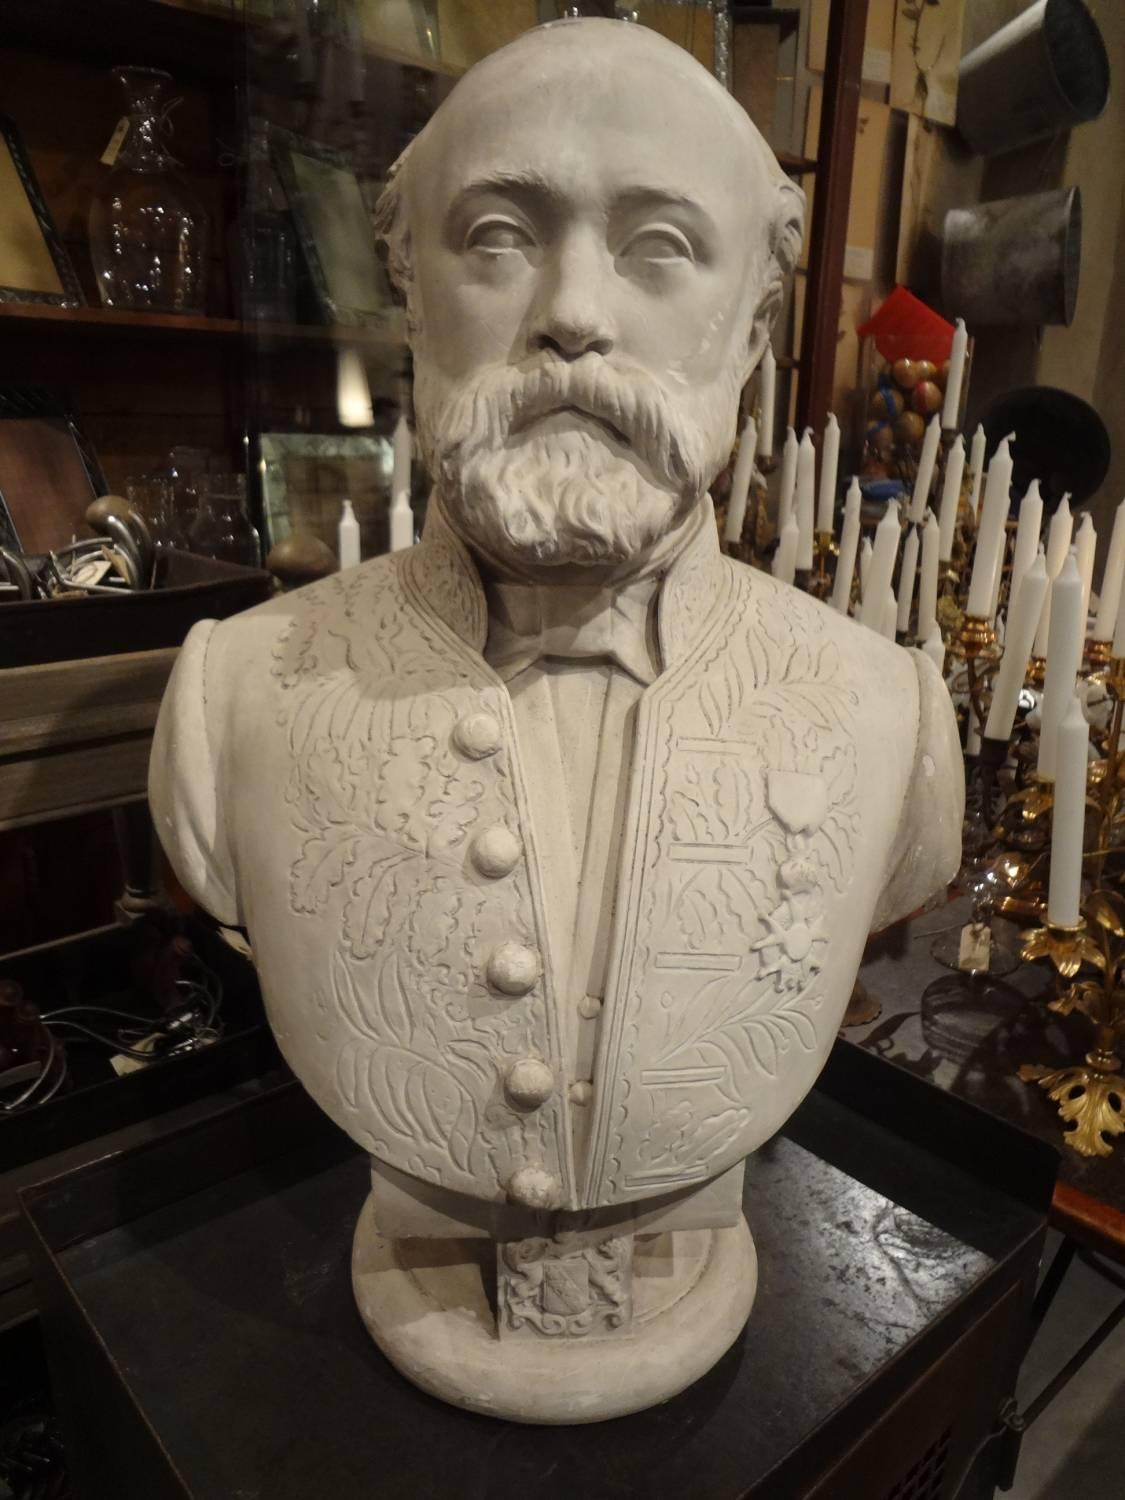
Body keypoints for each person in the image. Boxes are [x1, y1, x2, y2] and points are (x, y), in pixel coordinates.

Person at [150, 17, 961, 1408]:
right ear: (411, 294)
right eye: (498, 236)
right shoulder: (233, 695)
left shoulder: (883, 711)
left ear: (753, 326)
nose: (573, 310)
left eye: (657, 247)